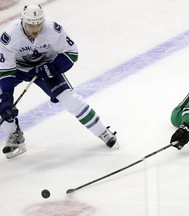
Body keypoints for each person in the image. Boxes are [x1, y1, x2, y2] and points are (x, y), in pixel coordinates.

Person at [0, 4, 117, 159]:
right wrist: (6, 99)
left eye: (38, 25)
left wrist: (52, 67)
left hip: (47, 69)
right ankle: (14, 135)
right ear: (23, 22)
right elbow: (6, 70)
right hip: (18, 70)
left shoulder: (53, 30)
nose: (35, 30)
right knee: (2, 102)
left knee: (70, 100)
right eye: (30, 26)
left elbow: (72, 53)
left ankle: (103, 131)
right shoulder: (9, 37)